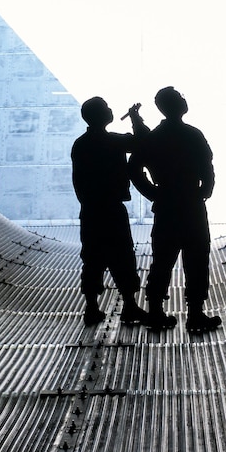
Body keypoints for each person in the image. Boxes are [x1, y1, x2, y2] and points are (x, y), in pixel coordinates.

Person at [129, 85, 221, 335]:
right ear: (174, 105)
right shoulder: (193, 134)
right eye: (180, 97)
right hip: (192, 204)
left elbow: (134, 168)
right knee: (197, 258)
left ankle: (156, 312)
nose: (184, 99)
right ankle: (195, 314)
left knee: (163, 261)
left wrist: (153, 192)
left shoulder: (154, 138)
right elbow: (207, 165)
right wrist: (206, 190)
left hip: (168, 204)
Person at [70, 96, 150, 327]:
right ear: (100, 115)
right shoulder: (113, 141)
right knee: (122, 256)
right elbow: (142, 142)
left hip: (91, 210)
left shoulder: (81, 144)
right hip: (113, 209)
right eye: (106, 108)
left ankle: (92, 308)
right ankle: (129, 306)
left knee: (92, 258)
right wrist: (135, 117)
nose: (110, 109)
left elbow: (78, 181)